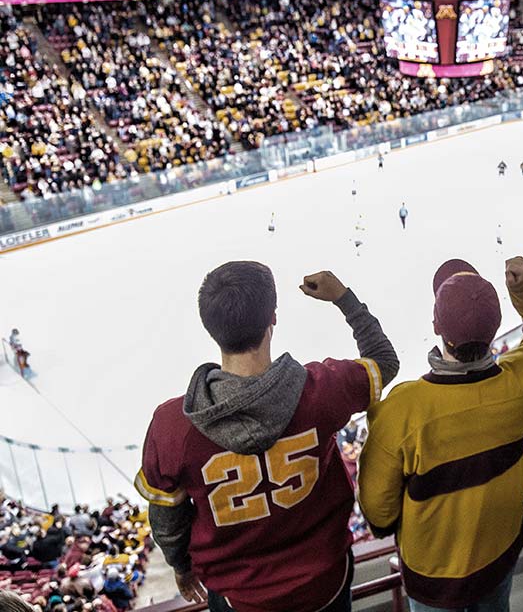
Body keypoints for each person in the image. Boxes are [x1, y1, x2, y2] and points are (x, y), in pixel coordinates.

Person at [136, 261, 399, 612]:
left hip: (239, 598)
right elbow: (384, 361)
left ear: (210, 328)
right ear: (272, 318)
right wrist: (344, 299)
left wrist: (182, 568)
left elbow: (167, 518)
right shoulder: (324, 389)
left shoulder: (172, 426)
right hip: (324, 584)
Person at [358, 256, 523, 611]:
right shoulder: (522, 382)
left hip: (433, 580)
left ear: (436, 326)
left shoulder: (402, 410)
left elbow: (378, 513)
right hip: (499, 558)